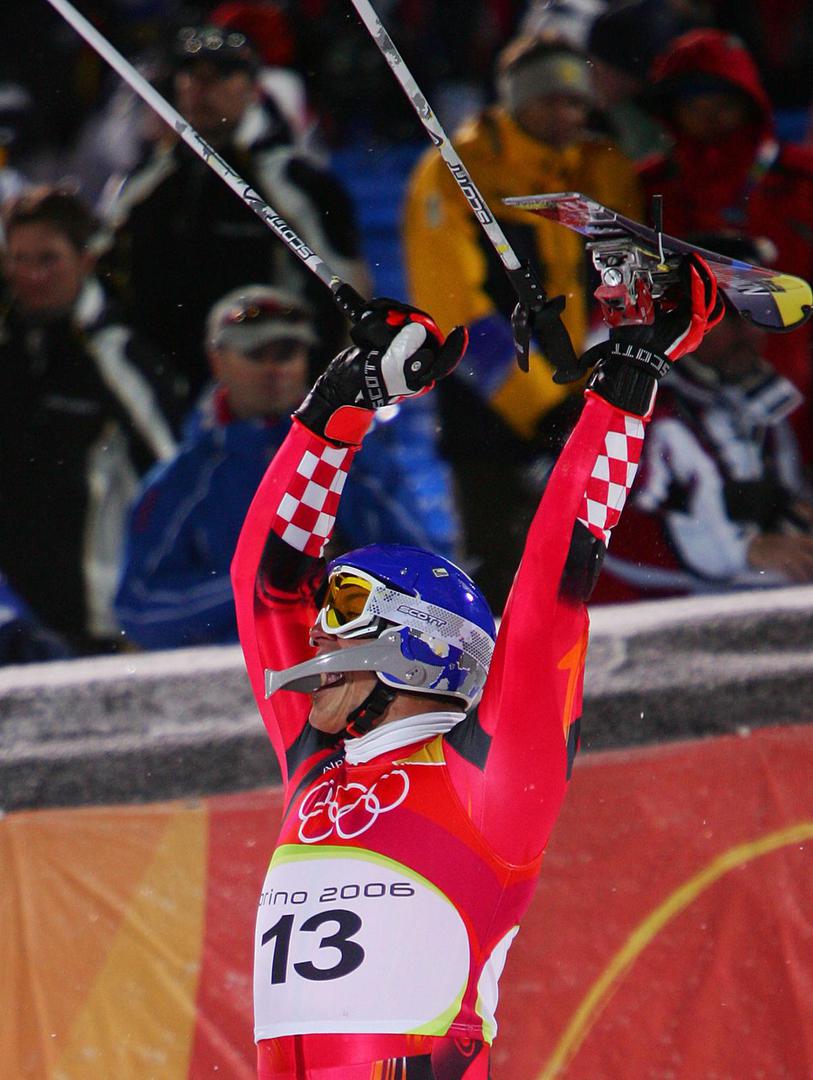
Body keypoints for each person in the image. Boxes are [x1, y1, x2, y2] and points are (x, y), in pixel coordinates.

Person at [230, 254, 723, 1076]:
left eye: (344, 615)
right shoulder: (320, 769)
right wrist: (341, 405)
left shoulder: (490, 775)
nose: (314, 639)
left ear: (421, 646)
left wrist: (630, 372)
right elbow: (265, 589)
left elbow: (548, 592)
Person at [402, 33, 644, 610]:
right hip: (489, 417)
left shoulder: (603, 167)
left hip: (588, 405)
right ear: (512, 100)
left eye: (574, 101)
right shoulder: (455, 169)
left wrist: (600, 392)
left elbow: (631, 277)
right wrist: (545, 407)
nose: (563, 114)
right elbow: (452, 305)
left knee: (593, 570)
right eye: (546, 100)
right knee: (501, 578)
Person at [115, 285, 460, 650]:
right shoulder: (182, 481)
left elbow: (428, 571)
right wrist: (263, 586)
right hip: (233, 675)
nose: (275, 368)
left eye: (288, 351)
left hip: (351, 666)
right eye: (257, 353)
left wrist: (342, 586)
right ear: (217, 359)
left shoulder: (359, 455)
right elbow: (137, 610)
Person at [103, 22, 369, 403]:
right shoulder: (143, 184)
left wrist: (333, 395)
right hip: (166, 394)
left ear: (252, 87)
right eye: (190, 74)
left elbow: (349, 291)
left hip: (274, 394)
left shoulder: (296, 182)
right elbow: (103, 278)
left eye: (222, 74)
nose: (202, 87)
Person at [0, 188, 180, 654]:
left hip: (96, 620)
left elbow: (173, 479)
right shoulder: (11, 347)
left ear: (85, 260)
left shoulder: (116, 356)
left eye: (48, 260)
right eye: (18, 259)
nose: (31, 276)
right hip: (15, 615)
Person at [589, 236, 813, 603]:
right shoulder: (640, 408)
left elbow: (783, 511)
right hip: (635, 624)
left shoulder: (761, 400)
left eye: (756, 316)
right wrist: (745, 552)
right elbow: (617, 539)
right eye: (731, 318)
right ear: (688, 318)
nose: (750, 333)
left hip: (725, 613)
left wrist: (790, 517)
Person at [639, 28, 813, 457]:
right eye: (693, 102)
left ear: (749, 102)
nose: (710, 114)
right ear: (670, 111)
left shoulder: (803, 179)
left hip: (802, 395)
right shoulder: (647, 188)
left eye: (722, 100)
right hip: (687, 409)